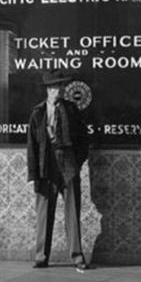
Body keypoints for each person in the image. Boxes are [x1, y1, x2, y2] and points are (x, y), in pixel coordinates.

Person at [26, 71, 90, 271]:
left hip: (68, 164)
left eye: (59, 88)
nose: (57, 92)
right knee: (44, 212)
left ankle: (77, 256)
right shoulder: (37, 113)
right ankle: (41, 256)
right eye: (53, 88)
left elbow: (83, 139)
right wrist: (33, 173)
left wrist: (76, 162)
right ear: (47, 90)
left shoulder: (71, 109)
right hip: (46, 166)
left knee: (72, 211)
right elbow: (31, 147)